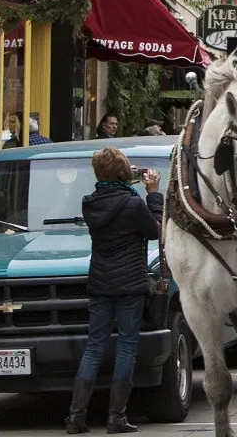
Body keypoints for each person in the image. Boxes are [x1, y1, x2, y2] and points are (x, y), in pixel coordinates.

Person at [67, 148, 163, 435]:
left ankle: (76, 416)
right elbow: (154, 231)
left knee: (94, 347)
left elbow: (114, 200)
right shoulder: (133, 205)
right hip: (130, 284)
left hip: (100, 283)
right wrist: (153, 194)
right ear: (123, 172)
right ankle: (116, 417)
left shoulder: (90, 204)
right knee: (126, 347)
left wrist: (125, 181)